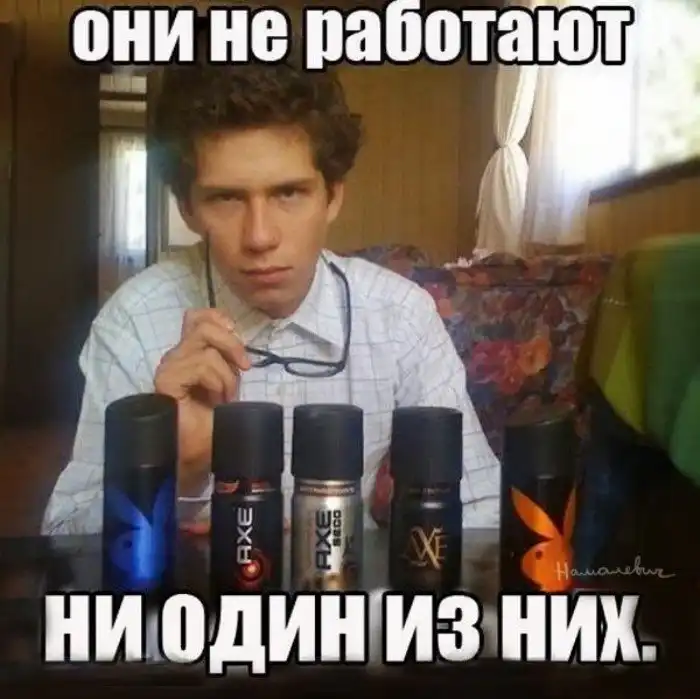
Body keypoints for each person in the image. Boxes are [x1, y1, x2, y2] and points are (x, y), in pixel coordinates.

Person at [41, 45, 500, 536]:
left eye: (288, 193)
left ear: (332, 197)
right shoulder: (134, 321)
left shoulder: (401, 315)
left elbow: (482, 512)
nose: (259, 237)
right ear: (188, 209)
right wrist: (178, 469)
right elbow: (66, 536)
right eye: (226, 198)